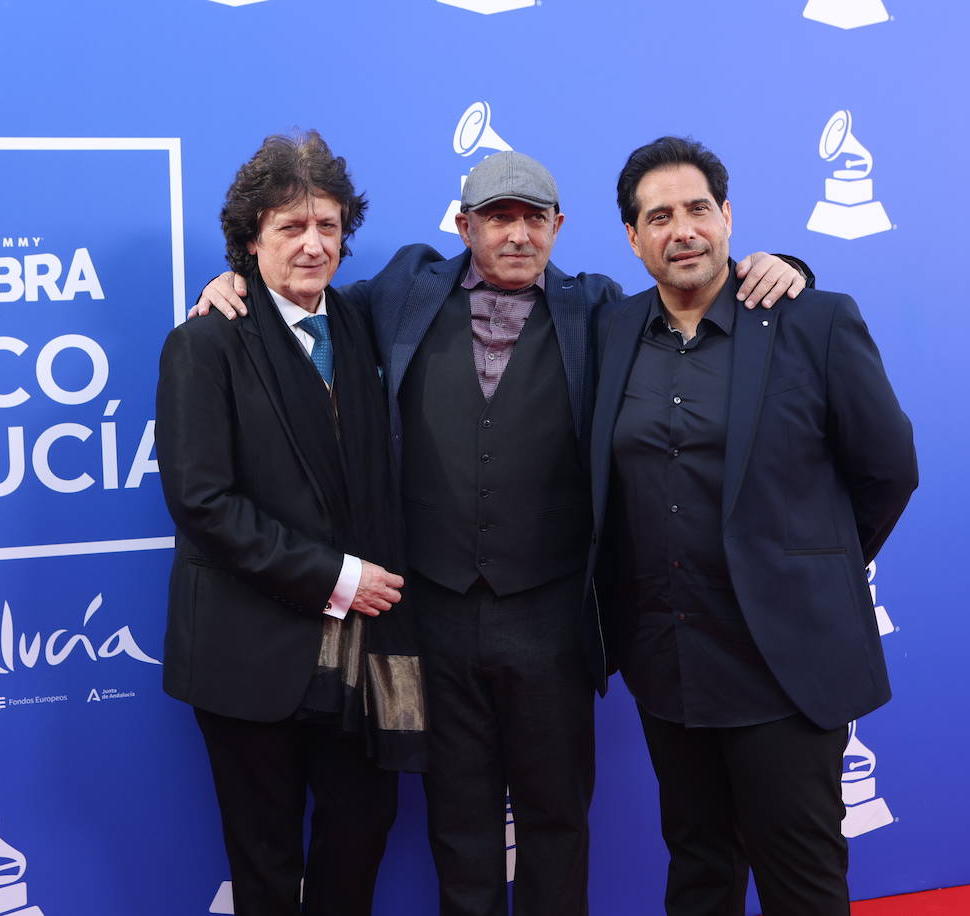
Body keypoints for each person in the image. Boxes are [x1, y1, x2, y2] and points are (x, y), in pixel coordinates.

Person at [194, 149, 807, 916]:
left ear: (559, 227)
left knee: (556, 820)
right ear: (463, 226)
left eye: (533, 219)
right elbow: (302, 295)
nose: (517, 235)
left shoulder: (602, 311)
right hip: (435, 619)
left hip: (551, 619)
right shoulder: (401, 294)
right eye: (497, 218)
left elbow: (692, 289)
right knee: (459, 825)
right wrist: (233, 283)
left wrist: (783, 265)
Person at [588, 136, 918, 916]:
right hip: (668, 664)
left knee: (801, 884)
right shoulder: (607, 331)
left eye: (699, 208)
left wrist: (805, 566)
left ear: (729, 217)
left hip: (785, 669)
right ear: (633, 240)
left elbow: (888, 471)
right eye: (659, 216)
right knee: (698, 873)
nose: (684, 230)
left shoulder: (813, 320)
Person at [156, 131, 426, 916]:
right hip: (248, 656)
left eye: (328, 228)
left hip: (365, 659)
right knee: (265, 861)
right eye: (290, 228)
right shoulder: (204, 342)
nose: (313, 245)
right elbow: (203, 503)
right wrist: (337, 578)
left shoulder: (370, 322)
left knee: (363, 828)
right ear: (250, 242)